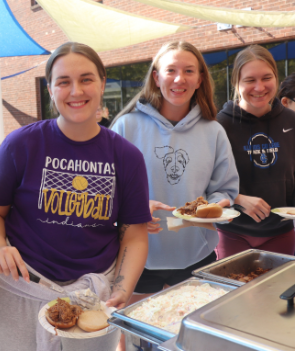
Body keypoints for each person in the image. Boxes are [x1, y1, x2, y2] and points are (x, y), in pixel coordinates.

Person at [0, 42, 152, 351]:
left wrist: (122, 288)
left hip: (91, 296)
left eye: (86, 79)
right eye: (63, 81)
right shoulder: (21, 143)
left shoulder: (127, 156)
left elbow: (134, 233)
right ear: (50, 89)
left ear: (102, 83)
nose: (76, 91)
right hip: (20, 288)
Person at [110, 41, 239, 350]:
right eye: (171, 70)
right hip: (138, 259)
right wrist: (135, 208)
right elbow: (106, 191)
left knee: (192, 342)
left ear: (199, 79)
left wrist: (217, 204)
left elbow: (225, 188)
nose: (179, 79)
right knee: (135, 340)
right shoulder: (126, 127)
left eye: (188, 71)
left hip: (195, 255)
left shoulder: (214, 130)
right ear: (156, 77)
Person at [215, 45, 295, 258]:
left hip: (282, 233)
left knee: (277, 292)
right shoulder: (218, 126)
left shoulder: (291, 121)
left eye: (266, 78)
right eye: (250, 80)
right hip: (231, 234)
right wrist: (238, 198)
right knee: (234, 292)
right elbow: (203, 182)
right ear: (236, 82)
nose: (259, 87)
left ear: (276, 78)